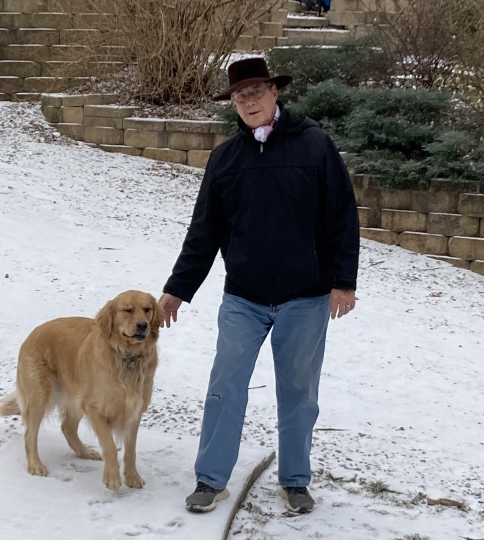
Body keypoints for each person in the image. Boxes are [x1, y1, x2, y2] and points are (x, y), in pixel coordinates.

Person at [158, 57, 359, 515]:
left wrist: (343, 281)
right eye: (239, 95)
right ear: (233, 103)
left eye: (256, 92)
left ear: (274, 93)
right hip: (243, 297)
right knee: (225, 383)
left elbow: (342, 217)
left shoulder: (314, 146)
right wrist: (178, 287)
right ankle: (210, 480)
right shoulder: (225, 158)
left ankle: (295, 481)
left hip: (305, 295)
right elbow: (203, 231)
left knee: (298, 391)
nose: (248, 101)